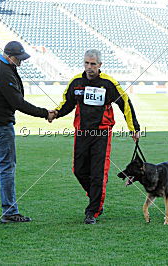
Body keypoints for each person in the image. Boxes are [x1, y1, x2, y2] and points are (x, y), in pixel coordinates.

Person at [50, 49, 140, 224]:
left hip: (102, 134)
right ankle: (95, 196)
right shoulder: (76, 82)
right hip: (82, 132)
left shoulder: (109, 83)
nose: (89, 67)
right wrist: (56, 113)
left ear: (100, 65)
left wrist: (133, 128)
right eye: (86, 63)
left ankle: (93, 211)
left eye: (93, 64)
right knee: (79, 170)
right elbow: (67, 103)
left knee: (98, 173)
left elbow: (125, 103)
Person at [0, 41, 55, 223]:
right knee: (7, 167)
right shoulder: (3, 71)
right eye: (18, 59)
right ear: (9, 56)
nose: (21, 62)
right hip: (0, 125)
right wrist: (45, 113)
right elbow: (18, 103)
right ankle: (9, 211)